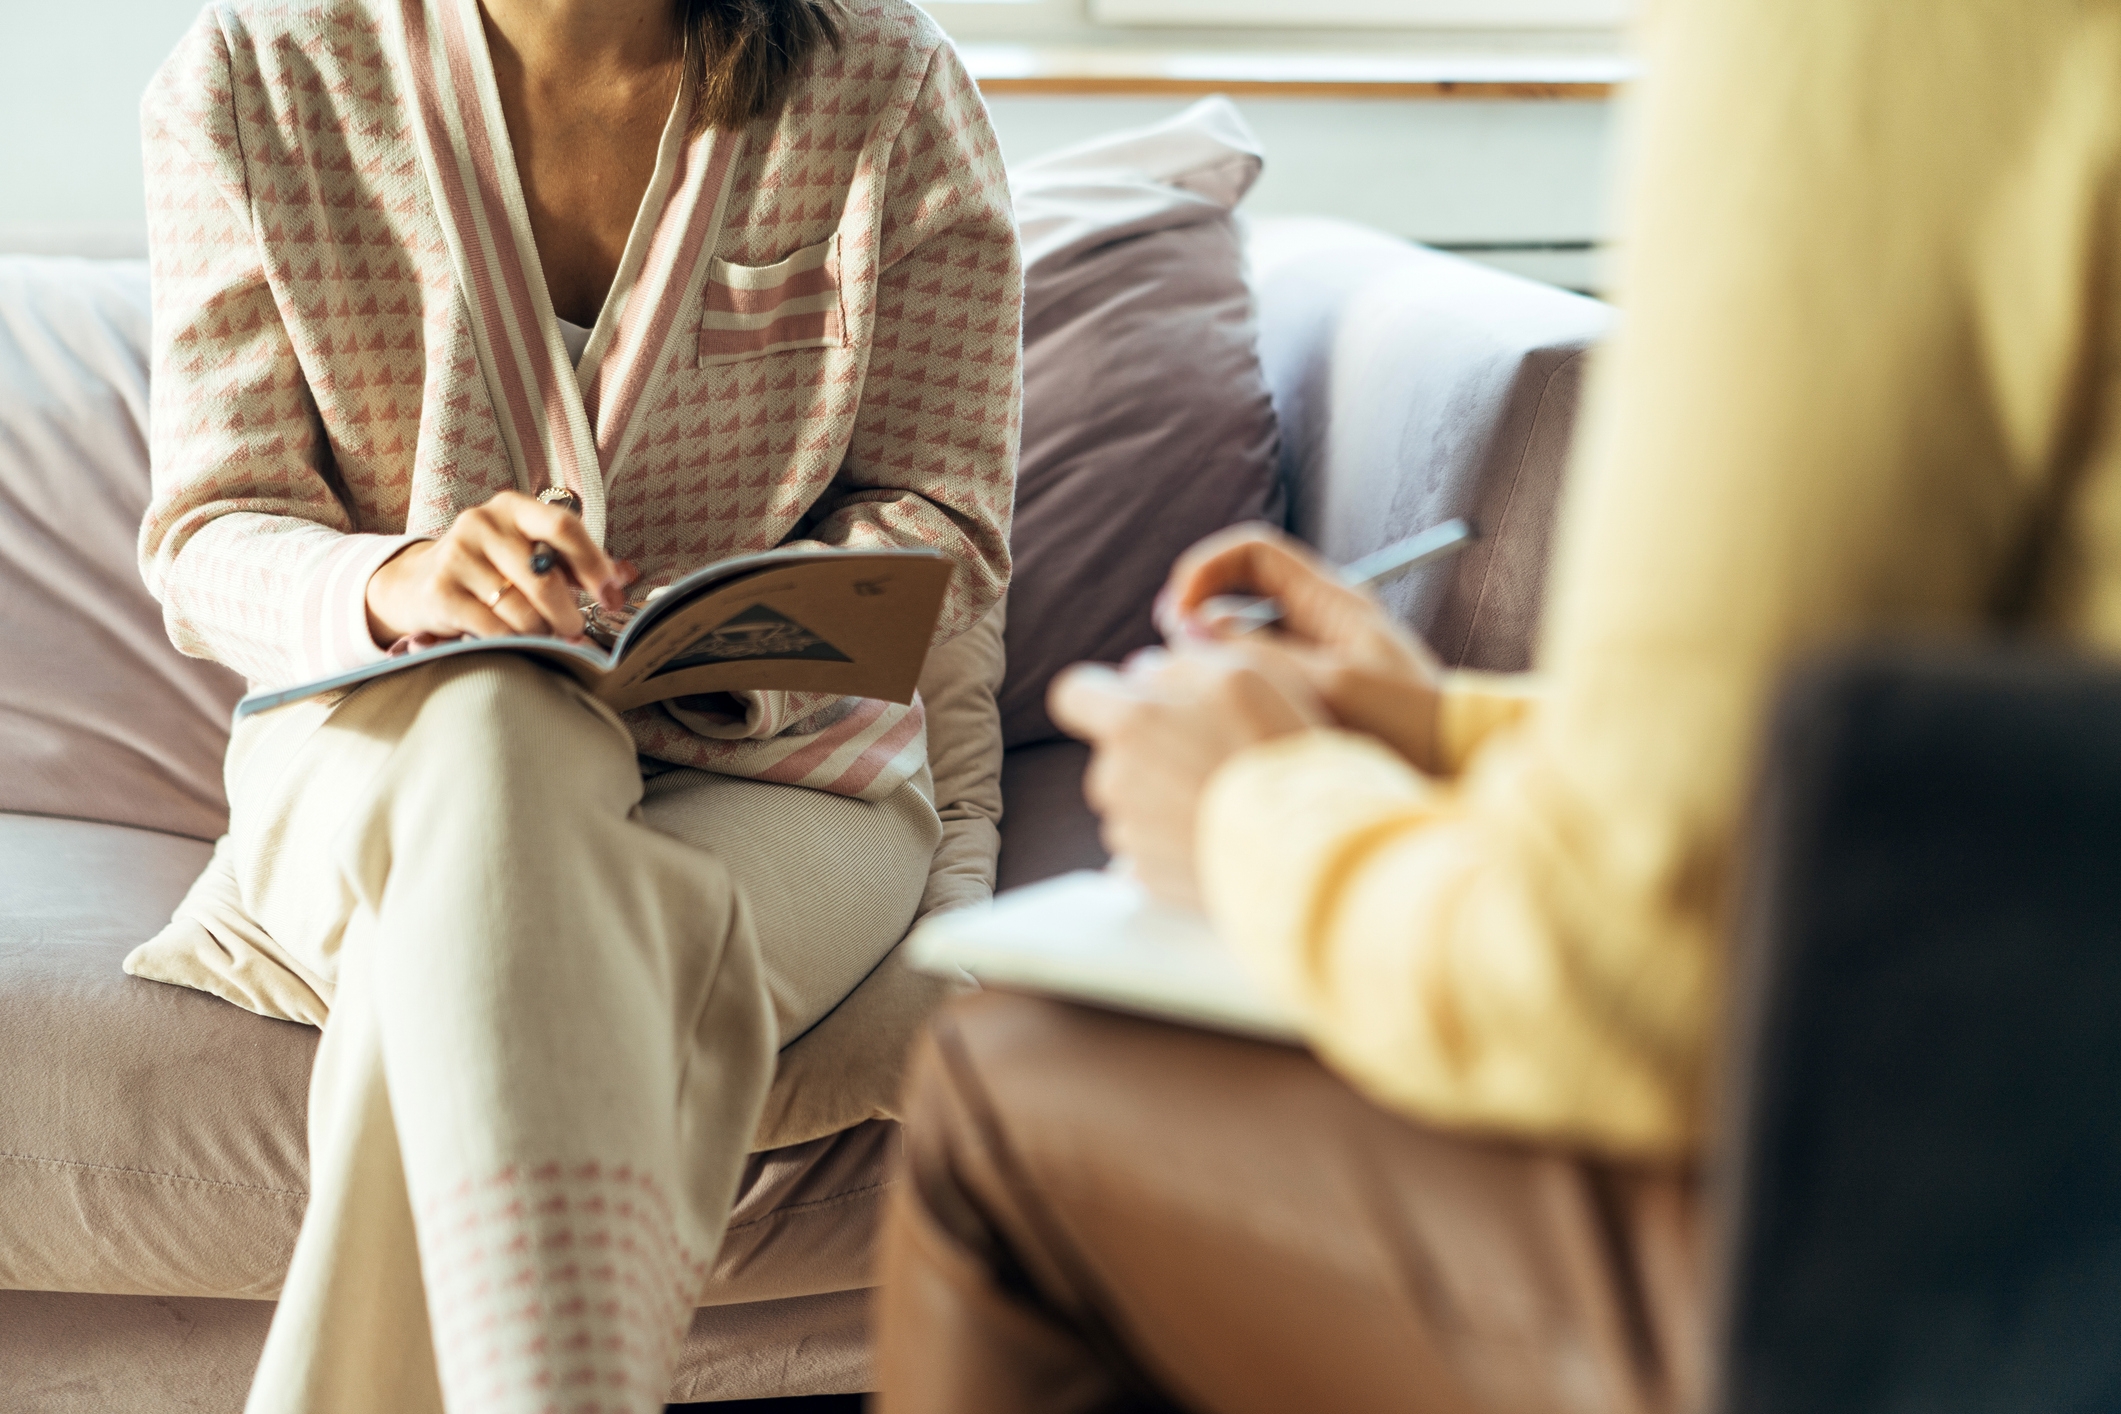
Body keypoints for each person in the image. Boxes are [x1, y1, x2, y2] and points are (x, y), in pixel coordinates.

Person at [873, 0, 2121, 1408]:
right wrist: (1444, 729)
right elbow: (1981, 745)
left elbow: (1631, 966)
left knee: (1009, 1082)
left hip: (2010, 1254)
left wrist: (1251, 810)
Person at [132, 0, 1018, 1405]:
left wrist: (735, 648)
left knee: (472, 958)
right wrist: (406, 579)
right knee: (497, 722)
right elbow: (211, 533)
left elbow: (946, 523)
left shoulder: (888, 87)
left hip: (780, 774)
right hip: (387, 748)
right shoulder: (257, 74)